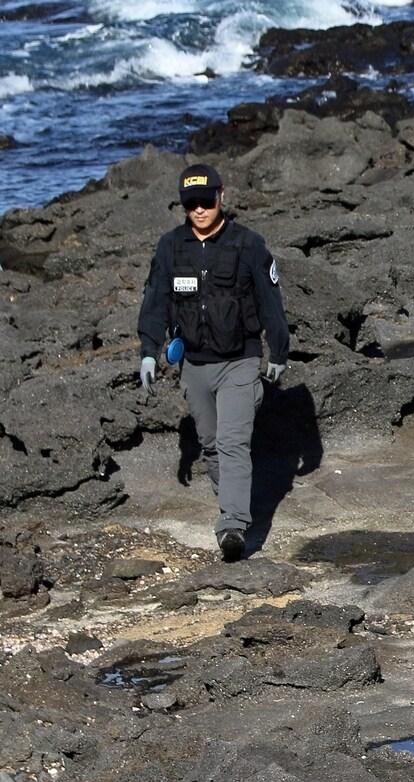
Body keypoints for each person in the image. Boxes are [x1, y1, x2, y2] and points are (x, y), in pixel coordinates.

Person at [137, 164, 290, 562]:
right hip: (194, 365)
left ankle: (233, 526)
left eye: (206, 201)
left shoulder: (249, 244)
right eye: (192, 204)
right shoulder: (170, 247)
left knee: (232, 442)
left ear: (222, 196)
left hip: (240, 360)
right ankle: (234, 503)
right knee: (210, 445)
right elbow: (155, 303)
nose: (200, 210)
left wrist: (279, 351)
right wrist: (149, 353)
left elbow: (271, 304)